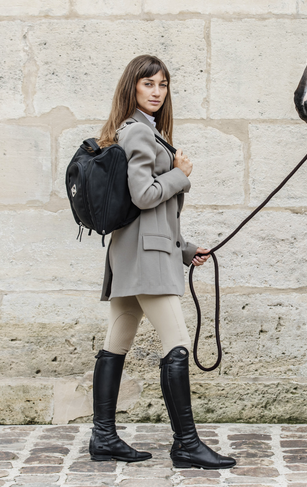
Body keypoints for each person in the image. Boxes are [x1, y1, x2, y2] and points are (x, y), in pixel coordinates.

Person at [89, 54, 235, 470]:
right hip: (146, 265)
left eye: (162, 85)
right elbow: (144, 196)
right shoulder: (137, 133)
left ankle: (103, 438)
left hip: (133, 256)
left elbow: (150, 217)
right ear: (132, 88)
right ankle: (186, 444)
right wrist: (181, 173)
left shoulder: (143, 131)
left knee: (114, 344)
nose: (156, 92)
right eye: (148, 84)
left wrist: (187, 250)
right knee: (176, 346)